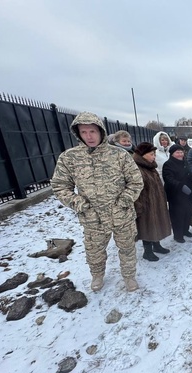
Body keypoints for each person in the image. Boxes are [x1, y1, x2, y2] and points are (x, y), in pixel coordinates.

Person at [51, 111, 143, 292]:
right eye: (84, 132)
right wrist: (79, 204)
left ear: (100, 131)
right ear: (78, 133)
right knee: (94, 251)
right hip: (93, 218)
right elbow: (60, 186)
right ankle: (97, 275)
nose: (89, 136)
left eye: (92, 131)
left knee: (127, 249)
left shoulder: (119, 155)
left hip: (121, 214)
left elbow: (135, 181)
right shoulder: (70, 157)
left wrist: (124, 201)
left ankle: (129, 276)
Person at [133, 142, 172, 261]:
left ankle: (157, 245)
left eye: (154, 154)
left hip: (156, 202)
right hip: (146, 205)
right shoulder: (137, 169)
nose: (154, 157)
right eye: (151, 154)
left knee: (157, 224)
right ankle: (147, 251)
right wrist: (139, 206)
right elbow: (135, 190)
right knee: (147, 227)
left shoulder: (150, 166)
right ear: (143, 155)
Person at [163, 144, 192, 243]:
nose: (180, 154)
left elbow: (190, 174)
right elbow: (168, 179)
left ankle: (185, 230)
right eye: (177, 152)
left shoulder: (185, 162)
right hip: (175, 194)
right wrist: (180, 185)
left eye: (181, 152)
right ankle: (178, 235)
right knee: (177, 215)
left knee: (187, 213)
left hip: (188, 192)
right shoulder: (168, 164)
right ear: (172, 153)